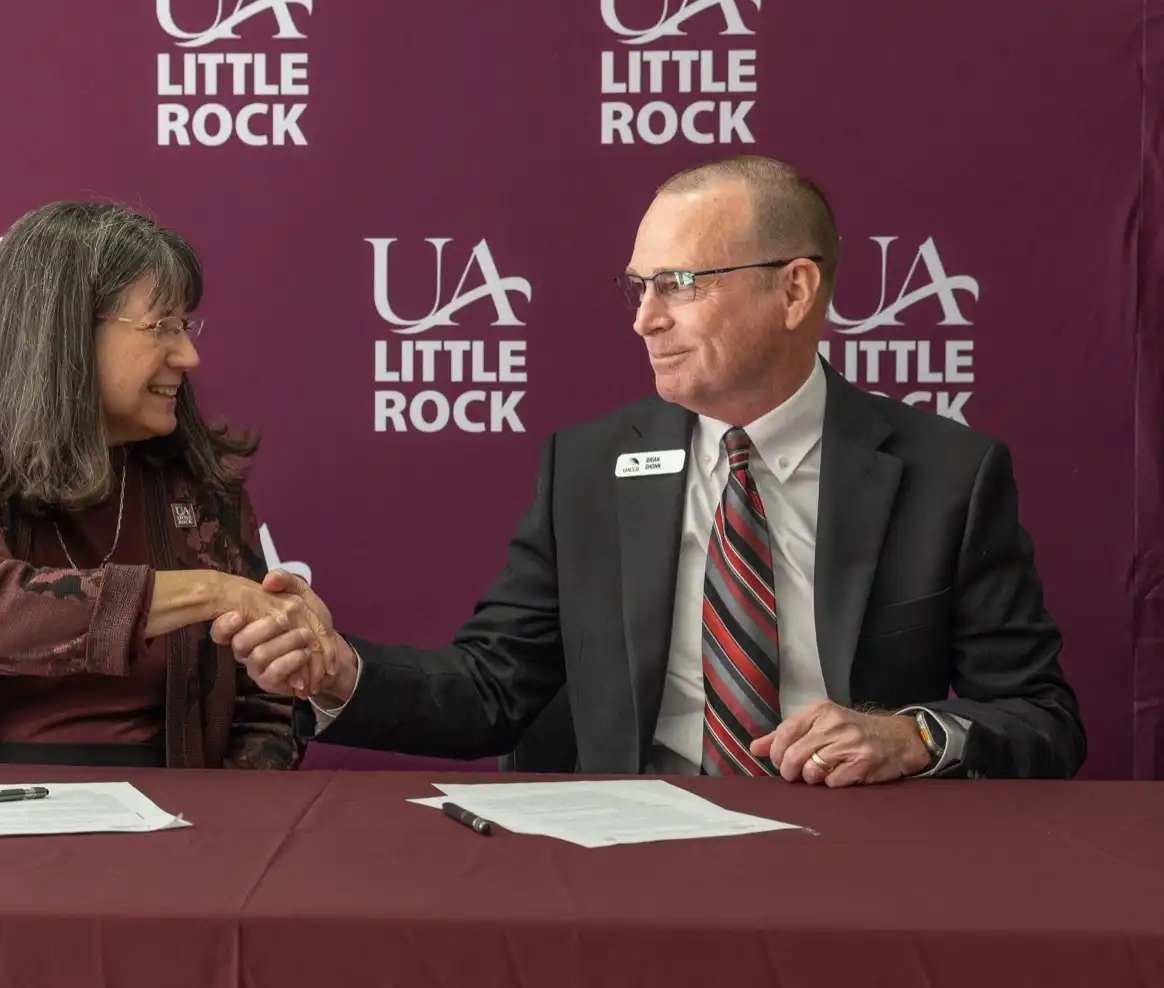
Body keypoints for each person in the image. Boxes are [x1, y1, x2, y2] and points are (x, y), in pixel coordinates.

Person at [214, 155, 1086, 785]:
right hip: (634, 863)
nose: (645, 321)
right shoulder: (588, 467)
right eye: (637, 288)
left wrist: (916, 738)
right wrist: (337, 672)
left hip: (853, 862)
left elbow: (1042, 720)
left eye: (678, 284)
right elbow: (490, 689)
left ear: (793, 292)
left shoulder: (947, 475)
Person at [0, 201, 330, 768]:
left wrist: (232, 821)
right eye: (161, 327)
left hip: (168, 828)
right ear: (65, 333)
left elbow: (262, 703)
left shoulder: (189, 475)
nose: (189, 354)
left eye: (186, 325)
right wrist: (215, 591)